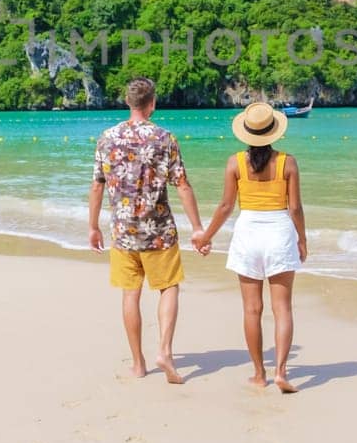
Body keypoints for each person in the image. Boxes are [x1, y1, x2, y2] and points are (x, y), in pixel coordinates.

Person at [87, 77, 205, 384]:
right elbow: (182, 184)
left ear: (128, 102)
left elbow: (97, 186)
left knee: (131, 294)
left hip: (123, 231)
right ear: (151, 104)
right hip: (159, 230)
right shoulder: (165, 138)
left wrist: (93, 226)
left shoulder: (106, 138)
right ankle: (164, 350)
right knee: (169, 287)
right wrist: (197, 227)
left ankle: (139, 364)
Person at [192, 102, 307, 393]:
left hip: (248, 233)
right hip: (280, 231)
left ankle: (259, 374)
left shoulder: (235, 163)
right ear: (274, 133)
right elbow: (294, 208)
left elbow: (226, 206)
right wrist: (302, 239)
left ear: (246, 132)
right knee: (282, 309)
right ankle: (281, 372)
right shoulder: (287, 162)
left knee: (252, 310)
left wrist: (205, 237)